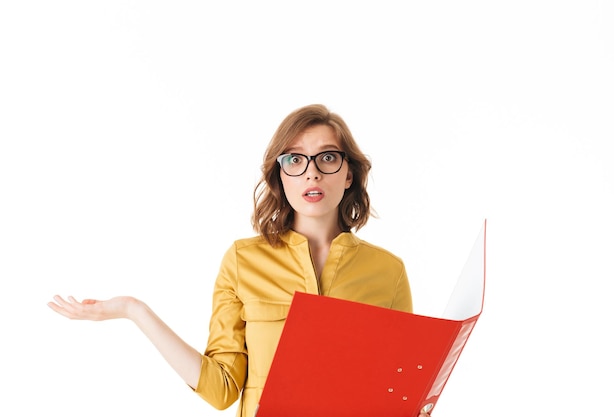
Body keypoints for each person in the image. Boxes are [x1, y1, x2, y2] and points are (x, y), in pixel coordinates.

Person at [48, 104, 428, 417]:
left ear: (349, 174)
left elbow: (398, 392)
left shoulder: (388, 272)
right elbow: (221, 390)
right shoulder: (242, 262)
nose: (312, 171)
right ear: (281, 176)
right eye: (295, 159)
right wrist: (135, 310)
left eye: (327, 157)